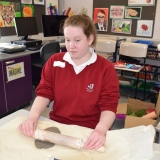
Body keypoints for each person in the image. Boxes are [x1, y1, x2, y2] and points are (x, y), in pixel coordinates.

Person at [19, 14, 119, 150]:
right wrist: (32, 117)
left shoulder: (105, 68)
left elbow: (109, 105)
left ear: (90, 39)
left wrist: (101, 130)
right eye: (67, 40)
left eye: (77, 40)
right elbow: (44, 93)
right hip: (58, 126)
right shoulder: (54, 62)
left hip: (89, 130)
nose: (71, 46)